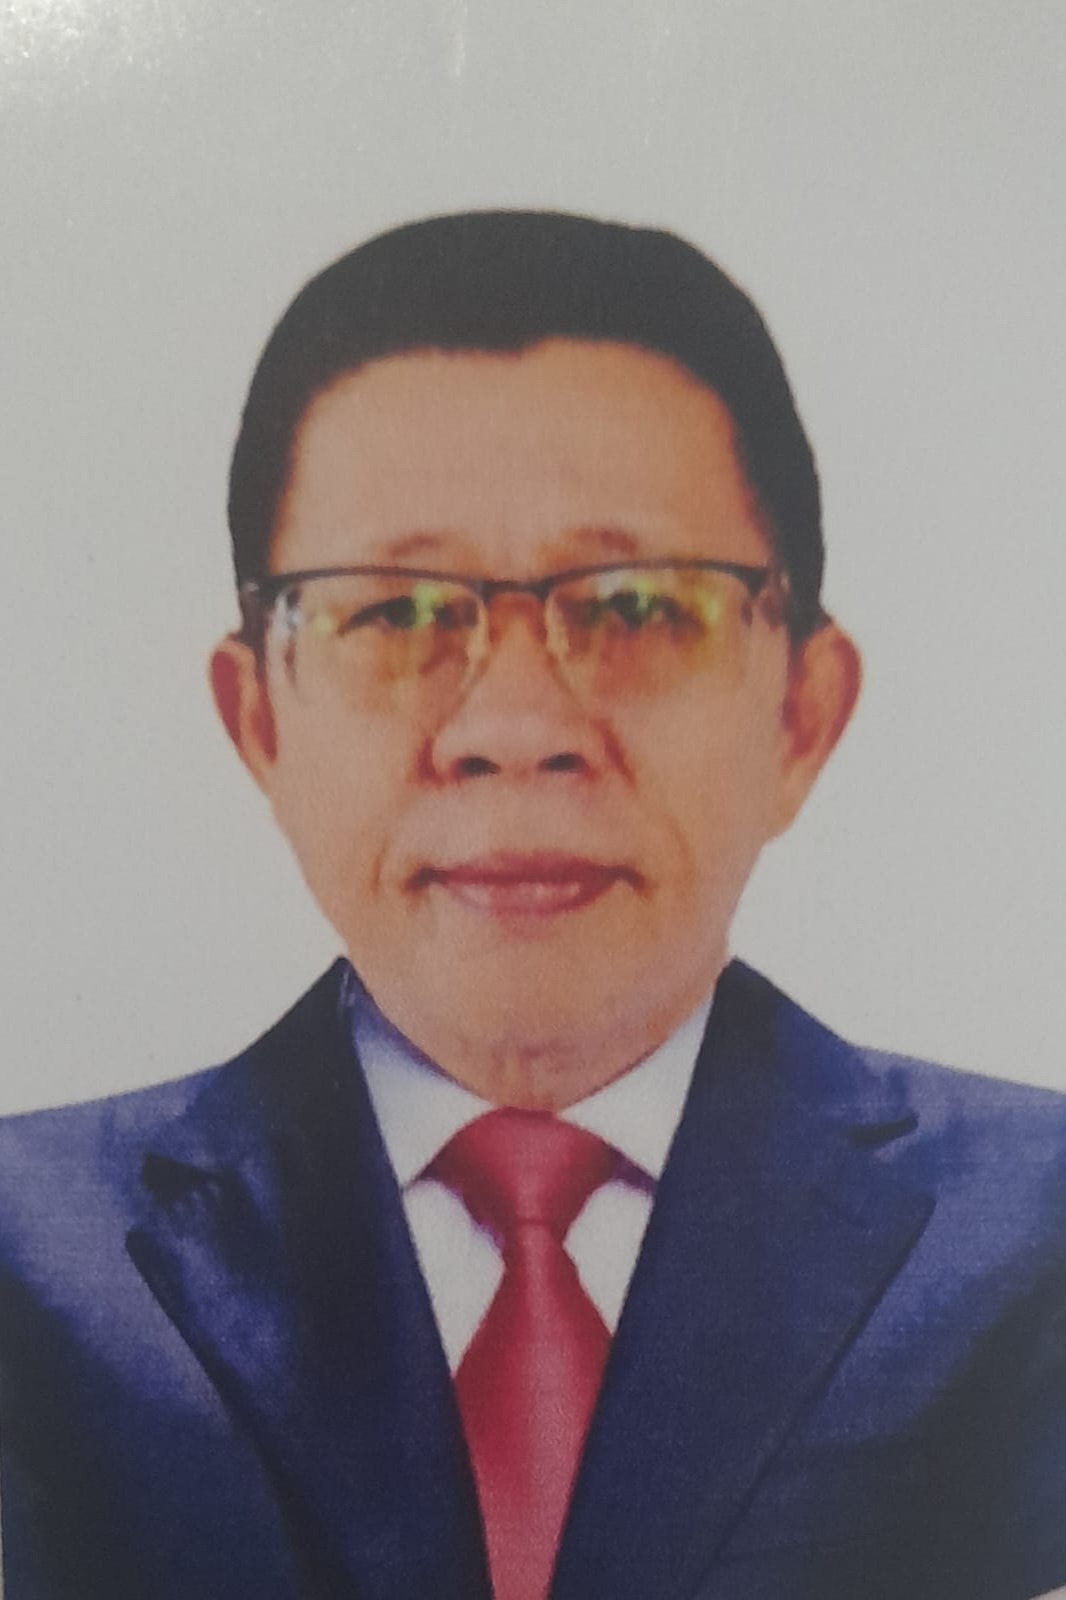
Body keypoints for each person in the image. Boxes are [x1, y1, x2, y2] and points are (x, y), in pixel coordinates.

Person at [1, 211, 1064, 1600]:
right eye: (393, 615)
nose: (513, 728)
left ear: (802, 714)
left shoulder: (1037, 1241)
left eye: (637, 609)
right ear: (257, 718)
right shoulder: (27, 1263)